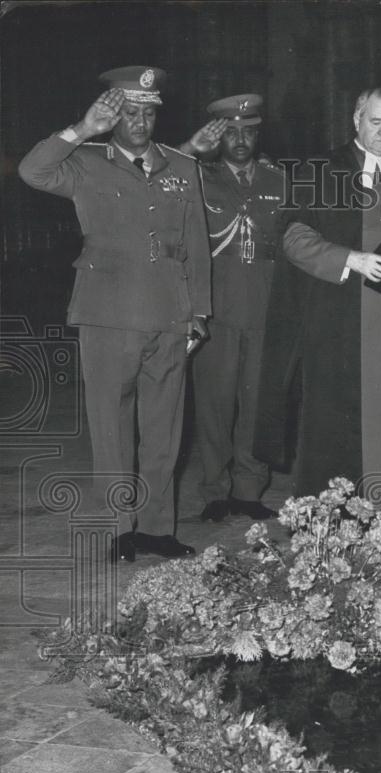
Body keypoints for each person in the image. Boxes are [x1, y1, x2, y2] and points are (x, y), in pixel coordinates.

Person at [19, 67, 211, 562]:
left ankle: (156, 529)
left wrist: (199, 312)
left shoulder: (181, 167)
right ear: (113, 114)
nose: (141, 121)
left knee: (164, 431)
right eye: (130, 111)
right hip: (106, 315)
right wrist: (82, 129)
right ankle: (119, 529)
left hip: (170, 315)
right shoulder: (84, 162)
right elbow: (31, 172)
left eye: (149, 112)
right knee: (112, 429)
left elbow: (195, 245)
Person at [254, 86, 381, 518]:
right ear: (356, 119)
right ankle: (337, 520)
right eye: (375, 122)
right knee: (337, 427)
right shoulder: (321, 171)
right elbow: (294, 238)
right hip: (340, 322)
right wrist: (350, 259)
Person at [180, 94, 281, 523]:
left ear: (259, 133)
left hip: (266, 303)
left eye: (249, 131)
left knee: (257, 403)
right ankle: (215, 491)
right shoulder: (197, 176)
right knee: (215, 403)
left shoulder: (279, 180)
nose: (241, 140)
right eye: (231, 132)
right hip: (216, 304)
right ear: (218, 134)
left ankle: (249, 491)